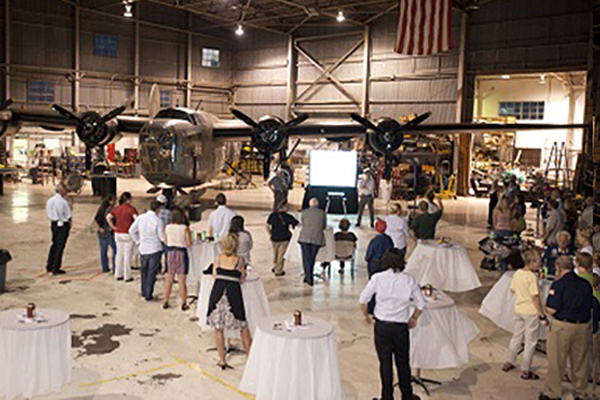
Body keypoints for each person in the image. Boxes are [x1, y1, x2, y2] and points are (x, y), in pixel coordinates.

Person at [359, 248, 424, 400]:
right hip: (400, 327)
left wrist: (366, 316)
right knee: (403, 362)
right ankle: (407, 395)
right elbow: (421, 304)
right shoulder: (409, 280)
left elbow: (363, 300)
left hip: (382, 326)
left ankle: (386, 396)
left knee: (385, 363)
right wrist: (414, 318)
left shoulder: (377, 278)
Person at [539, 256, 594, 400]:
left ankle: (553, 392)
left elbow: (552, 309)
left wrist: (544, 307)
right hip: (583, 326)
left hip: (563, 327)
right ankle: (581, 392)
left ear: (558, 267)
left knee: (557, 360)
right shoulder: (585, 284)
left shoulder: (559, 285)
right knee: (580, 362)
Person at [206, 233, 252, 370]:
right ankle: (250, 357)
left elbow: (215, 275)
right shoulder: (240, 261)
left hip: (217, 293)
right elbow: (242, 278)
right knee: (243, 326)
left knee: (218, 329)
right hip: (234, 294)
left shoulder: (218, 258)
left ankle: (222, 360)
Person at [502, 249, 547, 380]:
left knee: (516, 336)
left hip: (519, 309)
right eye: (538, 262)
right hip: (530, 311)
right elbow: (535, 297)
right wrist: (541, 313)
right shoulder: (531, 277)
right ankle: (526, 369)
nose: (540, 264)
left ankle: (509, 361)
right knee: (530, 340)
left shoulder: (517, 274)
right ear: (531, 262)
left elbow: (512, 290)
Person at [129, 200, 165, 302]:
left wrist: (138, 241)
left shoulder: (141, 218)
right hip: (154, 249)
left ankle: (144, 291)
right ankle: (148, 294)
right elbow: (161, 237)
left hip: (143, 249)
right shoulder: (158, 221)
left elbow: (131, 230)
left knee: (144, 271)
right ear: (158, 210)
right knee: (151, 273)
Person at [162, 208, 191, 311]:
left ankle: (165, 301)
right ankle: (183, 303)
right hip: (181, 252)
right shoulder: (184, 228)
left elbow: (165, 241)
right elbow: (189, 243)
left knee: (169, 279)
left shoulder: (167, 227)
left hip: (170, 253)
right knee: (181, 281)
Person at [107, 192, 138, 282]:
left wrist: (113, 226)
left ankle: (118, 274)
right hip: (127, 233)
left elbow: (108, 217)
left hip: (118, 233)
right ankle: (127, 276)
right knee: (127, 255)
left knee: (119, 254)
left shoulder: (117, 208)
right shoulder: (131, 209)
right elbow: (137, 220)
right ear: (128, 199)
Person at [298, 197, 326, 286]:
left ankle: (309, 278)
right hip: (317, 237)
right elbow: (324, 226)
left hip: (305, 237)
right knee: (311, 258)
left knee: (306, 258)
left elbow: (303, 223)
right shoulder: (322, 213)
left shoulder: (304, 212)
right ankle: (308, 276)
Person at [266, 203, 299, 276]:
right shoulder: (288, 217)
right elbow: (296, 223)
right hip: (284, 238)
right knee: (281, 255)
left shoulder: (273, 215)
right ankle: (278, 270)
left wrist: (270, 233)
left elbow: (267, 225)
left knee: (275, 254)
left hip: (274, 238)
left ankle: (275, 266)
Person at [45, 183, 72, 275]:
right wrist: (69, 226)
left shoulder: (50, 201)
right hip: (62, 225)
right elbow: (68, 215)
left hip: (54, 224)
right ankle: (56, 267)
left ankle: (49, 265)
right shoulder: (63, 202)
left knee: (54, 244)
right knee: (60, 246)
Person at [95, 194, 117, 273]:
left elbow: (96, 219)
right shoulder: (110, 210)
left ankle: (105, 267)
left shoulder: (101, 209)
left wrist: (100, 228)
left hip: (101, 232)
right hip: (109, 232)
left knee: (103, 251)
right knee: (115, 250)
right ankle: (115, 268)